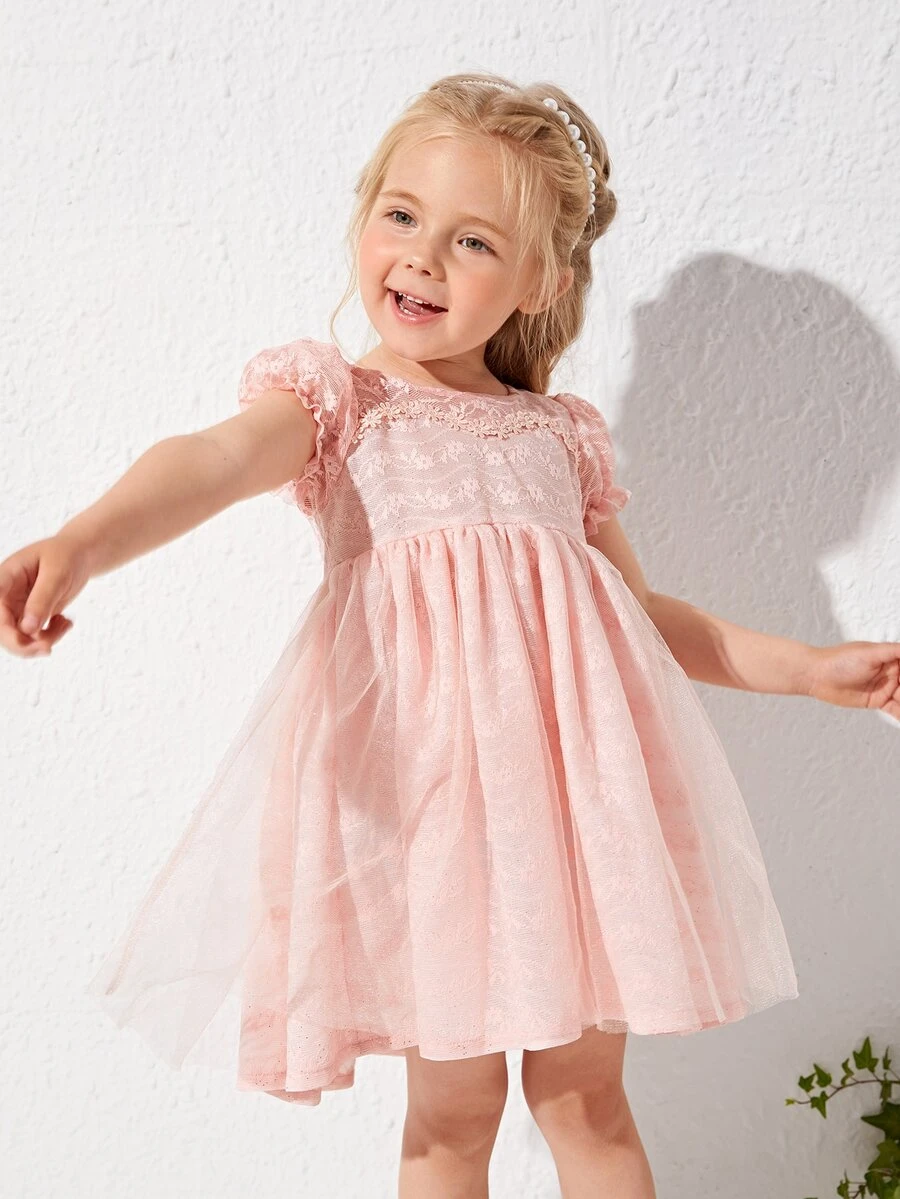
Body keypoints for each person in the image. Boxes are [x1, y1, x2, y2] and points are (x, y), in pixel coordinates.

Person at [2, 71, 898, 1199]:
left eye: (473, 241)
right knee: (453, 1111)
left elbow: (641, 618)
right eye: (402, 215)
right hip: (430, 817)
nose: (422, 257)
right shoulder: (337, 404)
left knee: (586, 1098)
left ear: (540, 282)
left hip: (574, 815)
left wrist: (811, 668)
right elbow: (212, 460)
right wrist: (85, 540)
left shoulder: (557, 437)